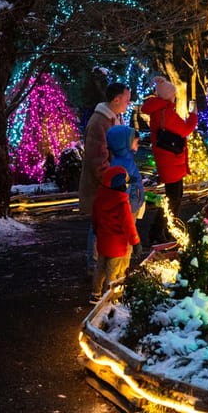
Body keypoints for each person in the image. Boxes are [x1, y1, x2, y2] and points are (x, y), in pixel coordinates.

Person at [78, 81, 131, 275]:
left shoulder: (114, 118)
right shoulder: (100, 122)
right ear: (116, 99)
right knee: (98, 225)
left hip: (110, 183)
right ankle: (94, 266)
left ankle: (102, 263)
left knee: (104, 225)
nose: (128, 103)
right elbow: (97, 159)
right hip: (101, 186)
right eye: (126, 99)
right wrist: (112, 181)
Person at [140, 75, 198, 244]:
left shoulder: (159, 110)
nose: (175, 96)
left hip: (168, 159)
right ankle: (159, 231)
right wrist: (193, 115)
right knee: (174, 198)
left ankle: (166, 229)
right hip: (171, 160)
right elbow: (186, 129)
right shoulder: (166, 112)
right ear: (167, 96)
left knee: (175, 197)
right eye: (173, 93)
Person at [90, 165, 141, 304]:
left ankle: (95, 294)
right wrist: (136, 242)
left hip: (103, 241)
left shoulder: (99, 198)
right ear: (120, 185)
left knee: (100, 267)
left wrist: (96, 230)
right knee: (113, 272)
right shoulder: (122, 203)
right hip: (117, 245)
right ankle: (111, 298)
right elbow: (128, 225)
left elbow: (95, 218)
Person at [106, 124, 145, 221]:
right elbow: (123, 190)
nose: (137, 146)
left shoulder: (126, 160)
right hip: (127, 210)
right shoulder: (124, 164)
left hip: (131, 206)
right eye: (136, 143)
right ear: (125, 144)